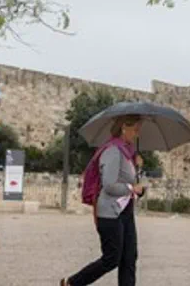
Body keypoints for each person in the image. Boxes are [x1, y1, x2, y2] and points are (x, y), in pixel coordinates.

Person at [61, 114, 144, 286]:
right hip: (109, 212)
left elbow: (129, 183)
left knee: (129, 257)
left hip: (125, 211)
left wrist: (137, 170)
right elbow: (109, 185)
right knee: (111, 259)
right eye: (135, 129)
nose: (137, 134)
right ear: (124, 128)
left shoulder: (128, 153)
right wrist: (131, 188)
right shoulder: (112, 151)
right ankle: (72, 283)